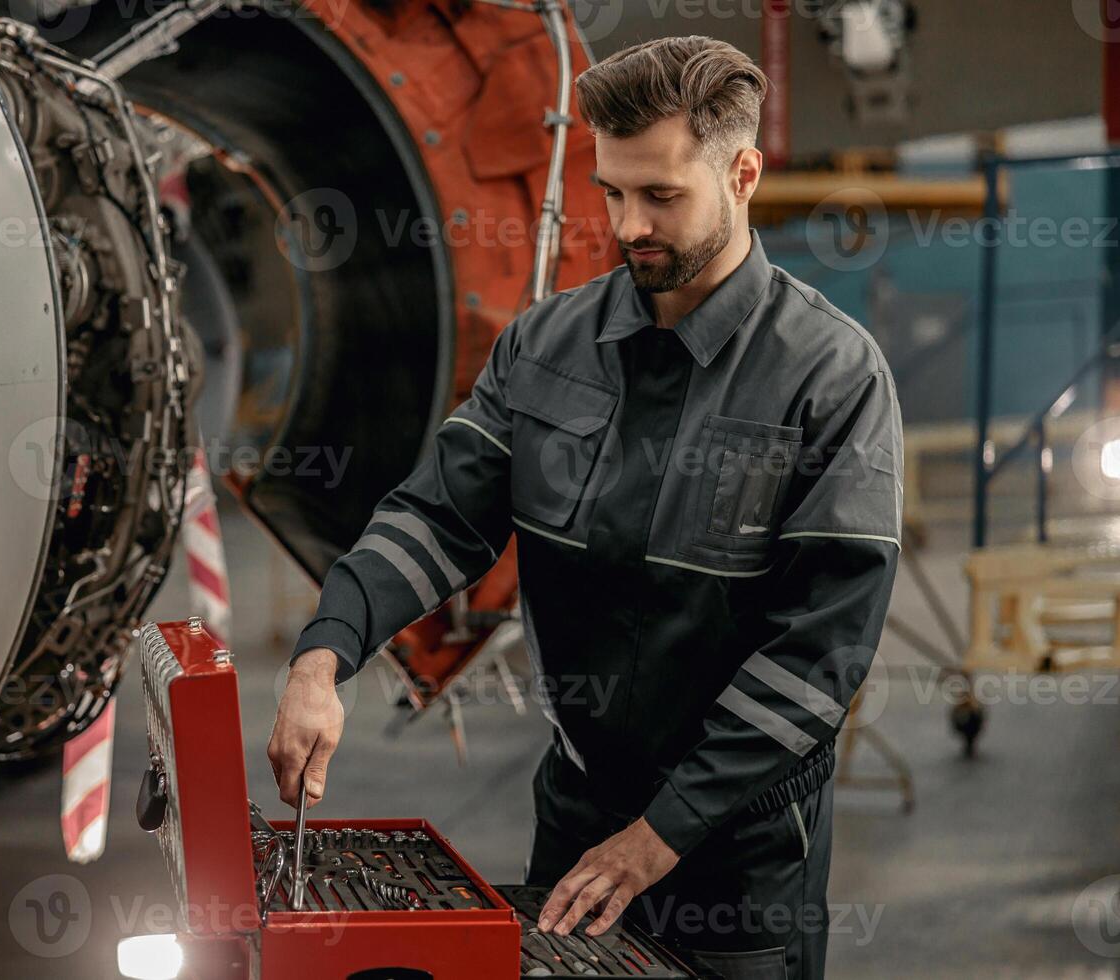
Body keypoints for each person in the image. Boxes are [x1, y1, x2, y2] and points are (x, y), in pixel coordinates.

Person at [268, 35, 902, 980]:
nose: (630, 225)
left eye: (661, 195)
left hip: (739, 851)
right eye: (612, 192)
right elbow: (441, 516)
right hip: (578, 816)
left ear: (744, 173)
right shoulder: (547, 344)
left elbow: (817, 655)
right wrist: (326, 652)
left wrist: (659, 838)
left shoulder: (831, 378)